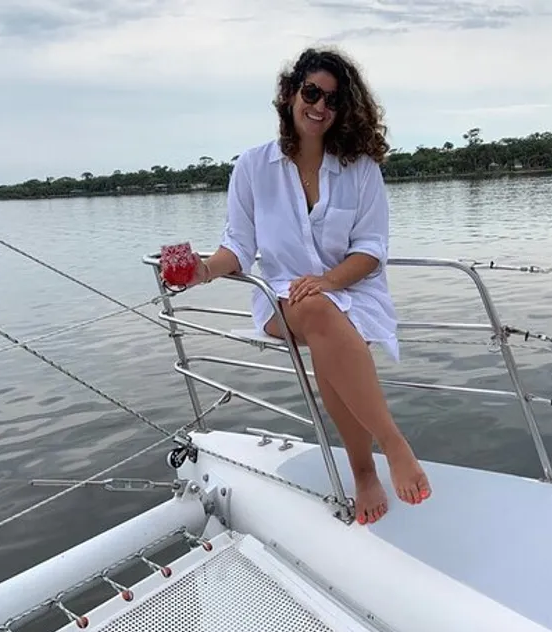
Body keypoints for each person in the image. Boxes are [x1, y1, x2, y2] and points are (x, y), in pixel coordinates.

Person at [182, 46, 431, 525]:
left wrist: (328, 279)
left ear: (344, 110)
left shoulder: (361, 170)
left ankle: (364, 473)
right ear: (290, 94)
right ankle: (392, 447)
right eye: (311, 92)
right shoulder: (253, 167)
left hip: (354, 292)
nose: (320, 106)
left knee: (326, 322)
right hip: (280, 297)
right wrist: (203, 270)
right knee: (318, 312)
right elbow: (236, 245)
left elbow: (371, 249)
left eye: (332, 100)